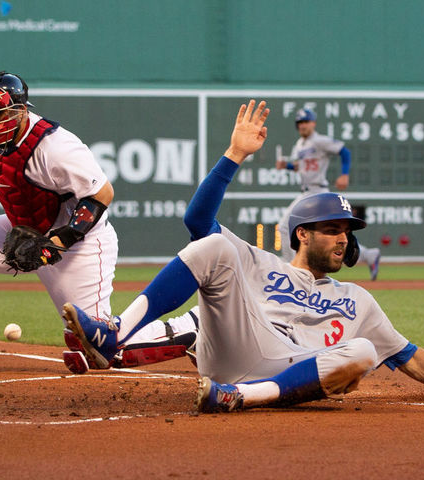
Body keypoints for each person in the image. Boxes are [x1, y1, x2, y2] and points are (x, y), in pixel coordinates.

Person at [62, 100, 381, 412]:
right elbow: (198, 221)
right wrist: (235, 154)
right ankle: (114, 337)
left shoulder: (352, 299)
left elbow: (404, 353)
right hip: (242, 350)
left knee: (364, 350)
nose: (340, 239)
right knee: (211, 265)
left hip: (291, 366)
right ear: (301, 235)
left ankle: (239, 395)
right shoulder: (263, 264)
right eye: (331, 229)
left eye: (344, 233)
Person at [0, 71, 196, 373]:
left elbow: (101, 194)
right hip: (24, 230)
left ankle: (193, 329)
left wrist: (58, 243)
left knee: (101, 350)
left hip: (79, 245)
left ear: (20, 111)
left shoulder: (55, 146)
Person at [276, 108, 381, 280]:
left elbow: (344, 151)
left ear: (313, 123)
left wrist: (345, 174)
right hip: (307, 191)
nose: (303, 125)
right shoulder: (299, 145)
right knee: (326, 235)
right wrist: (286, 166)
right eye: (300, 123)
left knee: (285, 226)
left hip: (317, 191)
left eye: (306, 121)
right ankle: (369, 255)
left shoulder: (319, 140)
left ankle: (294, 273)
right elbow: (299, 166)